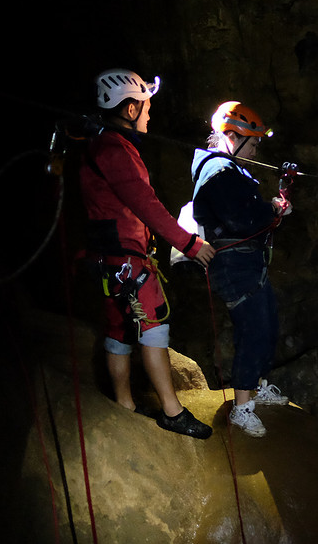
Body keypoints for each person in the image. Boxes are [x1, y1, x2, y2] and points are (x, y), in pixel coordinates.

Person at [79, 68, 216, 439]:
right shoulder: (114, 149)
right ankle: (171, 412)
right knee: (153, 327)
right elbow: (146, 205)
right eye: (146, 107)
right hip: (126, 260)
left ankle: (123, 403)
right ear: (129, 110)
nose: (150, 114)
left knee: (119, 330)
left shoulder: (102, 146)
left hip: (108, 259)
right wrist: (190, 244)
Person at [190, 100, 293, 438]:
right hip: (232, 264)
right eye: (253, 142)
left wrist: (273, 210)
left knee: (269, 322)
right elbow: (240, 218)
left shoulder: (230, 170)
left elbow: (249, 214)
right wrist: (272, 212)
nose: (255, 149)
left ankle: (259, 385)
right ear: (232, 136)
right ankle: (242, 407)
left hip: (249, 260)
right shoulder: (216, 171)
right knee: (253, 329)